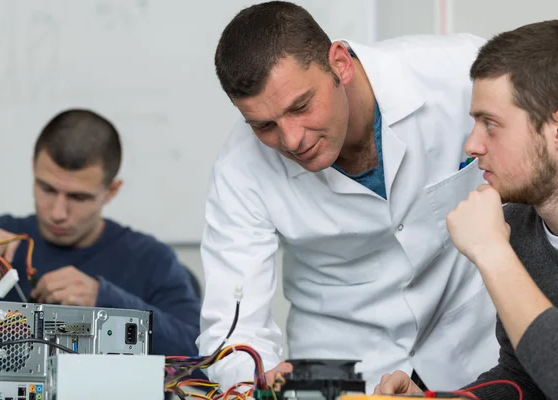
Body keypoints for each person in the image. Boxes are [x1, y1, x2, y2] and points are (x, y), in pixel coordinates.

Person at [197, 0, 499, 392]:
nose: (291, 140)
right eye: (264, 125)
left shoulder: (460, 72)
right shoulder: (240, 169)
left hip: (476, 351)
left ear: (340, 62)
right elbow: (233, 323)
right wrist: (253, 383)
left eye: (301, 106)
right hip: (345, 366)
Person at [373, 20, 558, 399]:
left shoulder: (500, 242)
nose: (471, 145)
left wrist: (492, 252)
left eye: (491, 124)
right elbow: (523, 376)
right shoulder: (519, 227)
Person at [0, 108, 201, 357]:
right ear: (33, 168)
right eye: (47, 189)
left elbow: (199, 357)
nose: (58, 212)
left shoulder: (151, 260)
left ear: (111, 190)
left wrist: (105, 301)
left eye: (78, 197)